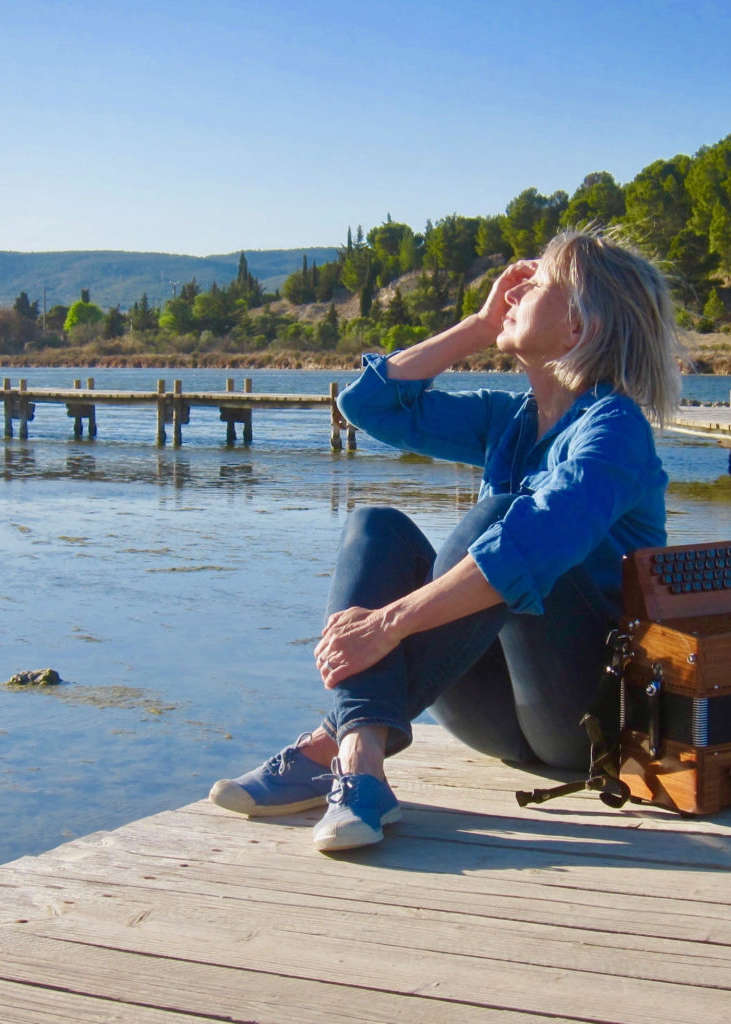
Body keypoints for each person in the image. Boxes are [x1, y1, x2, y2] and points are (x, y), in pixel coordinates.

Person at [209, 225, 683, 852]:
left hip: (585, 716)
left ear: (577, 328)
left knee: (503, 518)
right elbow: (370, 407)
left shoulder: (614, 428)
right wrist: (477, 327)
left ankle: (329, 746)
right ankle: (360, 758)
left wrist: (386, 624)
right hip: (493, 718)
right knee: (375, 525)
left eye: (536, 283)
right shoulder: (507, 420)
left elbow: (530, 548)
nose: (515, 292)